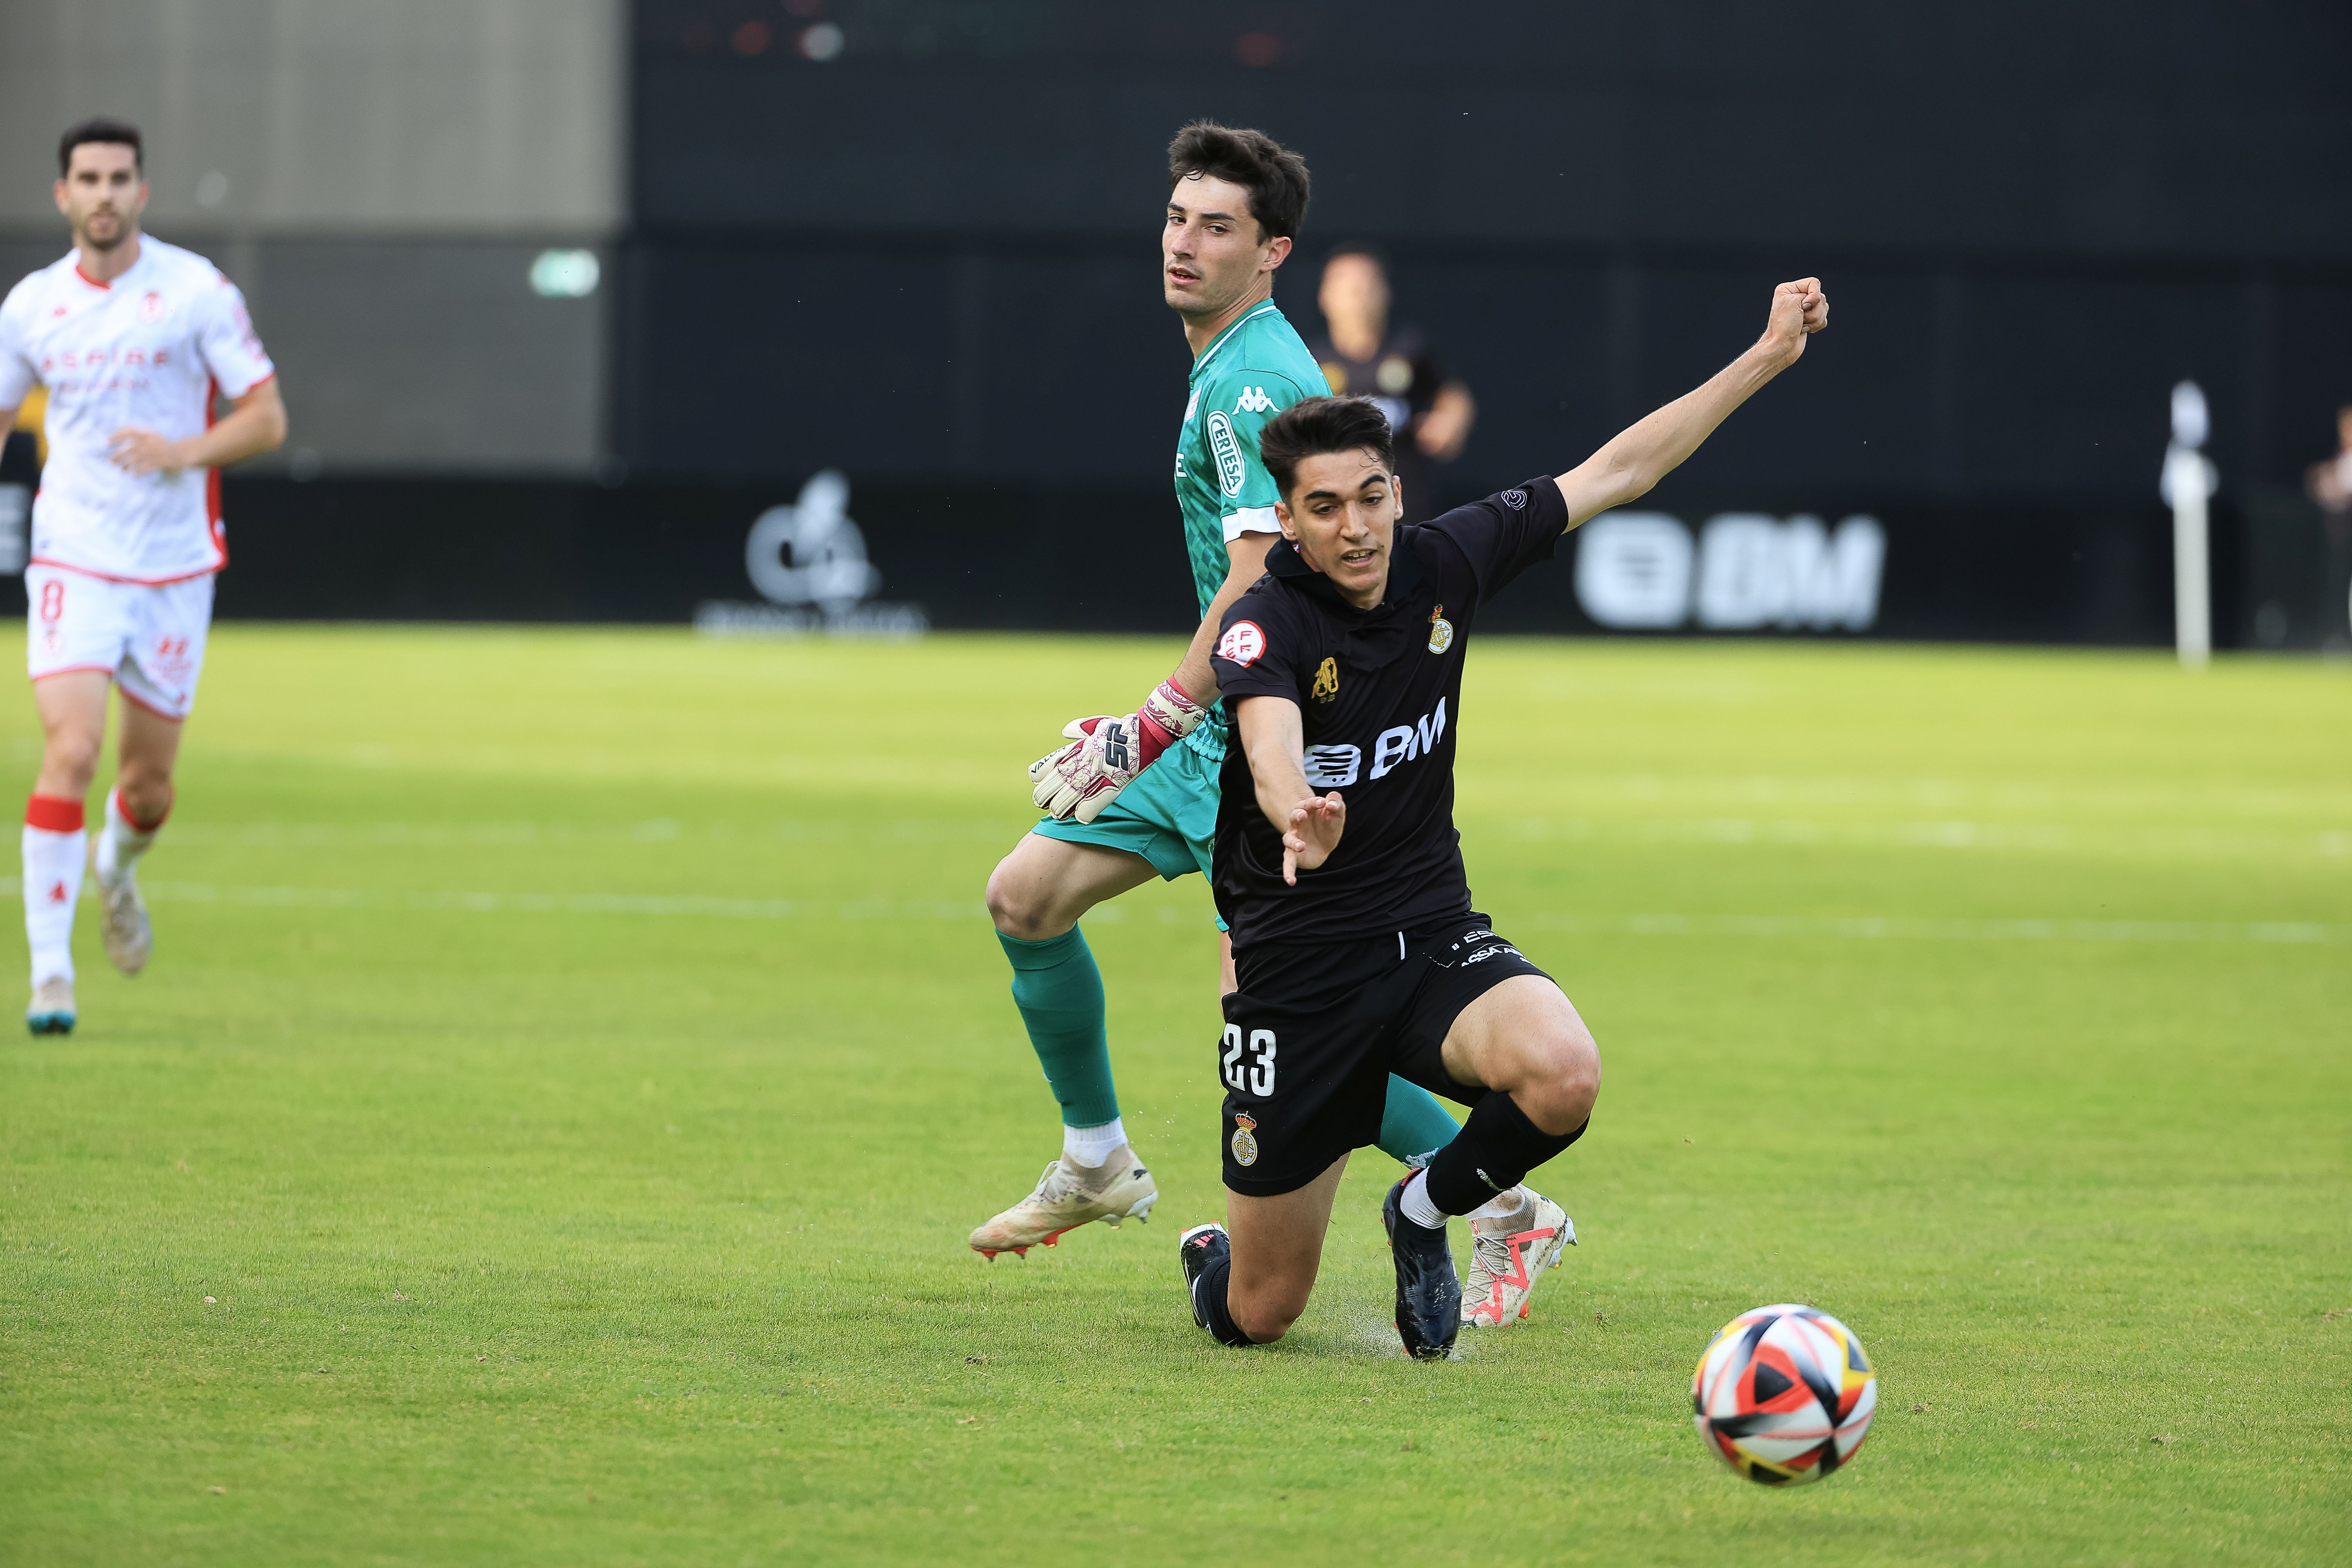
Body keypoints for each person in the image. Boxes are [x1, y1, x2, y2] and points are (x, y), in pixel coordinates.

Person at [975, 124, 1568, 1325]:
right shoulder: (1234, 363)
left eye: (1217, 226)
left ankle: (1506, 1207)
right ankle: (1096, 1159)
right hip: (1217, 730)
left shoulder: (1250, 382)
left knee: (1288, 1017)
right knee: (1025, 900)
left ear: (1271, 251)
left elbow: (1255, 584)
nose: (1184, 243)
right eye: (1177, 217)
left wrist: (1149, 722)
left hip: (1256, 734)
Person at [1177, 276, 1829, 1358]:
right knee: (1260, 1315)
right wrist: (1299, 813)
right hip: (1295, 976)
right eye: (1326, 508)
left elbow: (1619, 469)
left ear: (1397, 491)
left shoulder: (1447, 559)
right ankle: (1215, 1264)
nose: (1358, 527)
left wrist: (1764, 355)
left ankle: (1424, 1210)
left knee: (1565, 1071)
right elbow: (1269, 744)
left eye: (1373, 496)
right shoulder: (1262, 623)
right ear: (1284, 522)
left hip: (1430, 937)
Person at [0, 119, 287, 1033]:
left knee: (148, 788)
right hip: (74, 553)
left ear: (142, 191)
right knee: (72, 751)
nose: (104, 195)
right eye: (88, 178)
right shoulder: (31, 306)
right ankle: (52, 978)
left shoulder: (196, 291)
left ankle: (115, 867)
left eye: (120, 178)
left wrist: (184, 451)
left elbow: (268, 417)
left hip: (172, 566)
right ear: (63, 195)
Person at [1310, 245, 1475, 523]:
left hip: (1407, 503)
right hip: (1338, 509)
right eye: (1345, 283)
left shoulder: (1412, 349)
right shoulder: (1310, 361)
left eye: (1366, 283)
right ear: (1324, 296)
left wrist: (1450, 422)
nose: (1356, 292)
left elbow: (1452, 395)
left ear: (1385, 292)